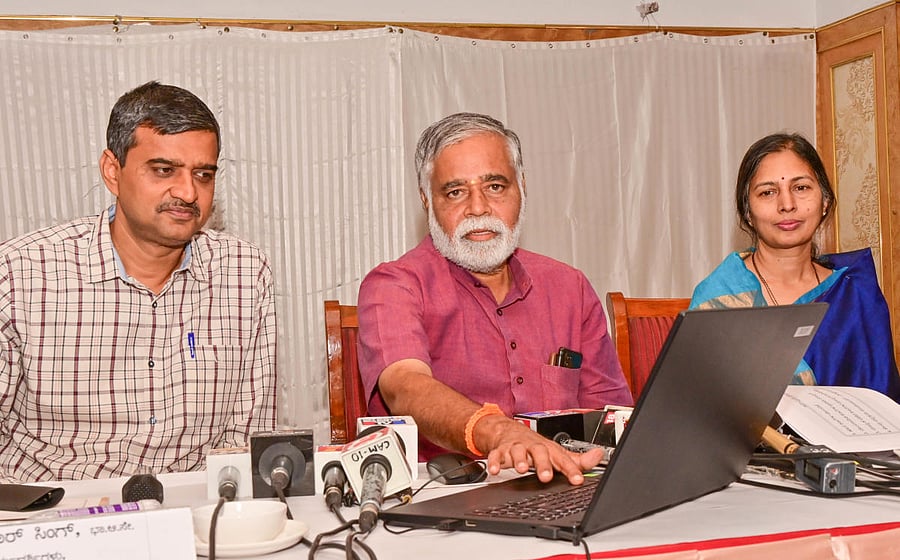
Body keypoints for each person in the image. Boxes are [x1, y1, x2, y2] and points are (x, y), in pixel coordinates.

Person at [0, 81, 277, 483]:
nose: (187, 191)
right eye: (164, 170)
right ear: (113, 172)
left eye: (203, 174)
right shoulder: (22, 272)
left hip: (194, 514)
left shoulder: (245, 272)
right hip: (52, 512)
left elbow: (245, 441)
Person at [357, 112, 633, 485]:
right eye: (455, 192)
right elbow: (406, 387)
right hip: (442, 499)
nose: (478, 208)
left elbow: (612, 416)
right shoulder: (394, 285)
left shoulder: (570, 287)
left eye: (495, 187)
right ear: (427, 201)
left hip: (568, 485)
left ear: (522, 186)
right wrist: (500, 432)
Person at [690, 132, 900, 401]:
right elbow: (701, 410)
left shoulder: (854, 294)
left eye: (801, 188)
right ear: (747, 212)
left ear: (824, 201)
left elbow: (883, 405)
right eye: (768, 192)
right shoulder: (720, 299)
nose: (787, 205)